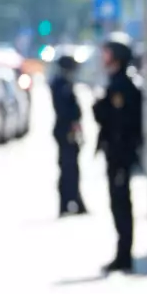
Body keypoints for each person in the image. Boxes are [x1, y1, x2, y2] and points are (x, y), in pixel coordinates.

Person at [93, 37, 142, 273]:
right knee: (117, 203)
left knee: (121, 204)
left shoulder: (122, 85)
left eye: (108, 53)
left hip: (120, 155)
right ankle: (122, 254)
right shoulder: (115, 82)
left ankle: (125, 256)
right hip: (116, 154)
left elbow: (118, 121)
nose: (104, 58)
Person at [50, 56, 87, 217]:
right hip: (65, 131)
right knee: (68, 167)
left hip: (68, 130)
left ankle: (74, 201)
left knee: (72, 167)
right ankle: (67, 202)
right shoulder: (61, 84)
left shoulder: (64, 83)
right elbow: (66, 110)